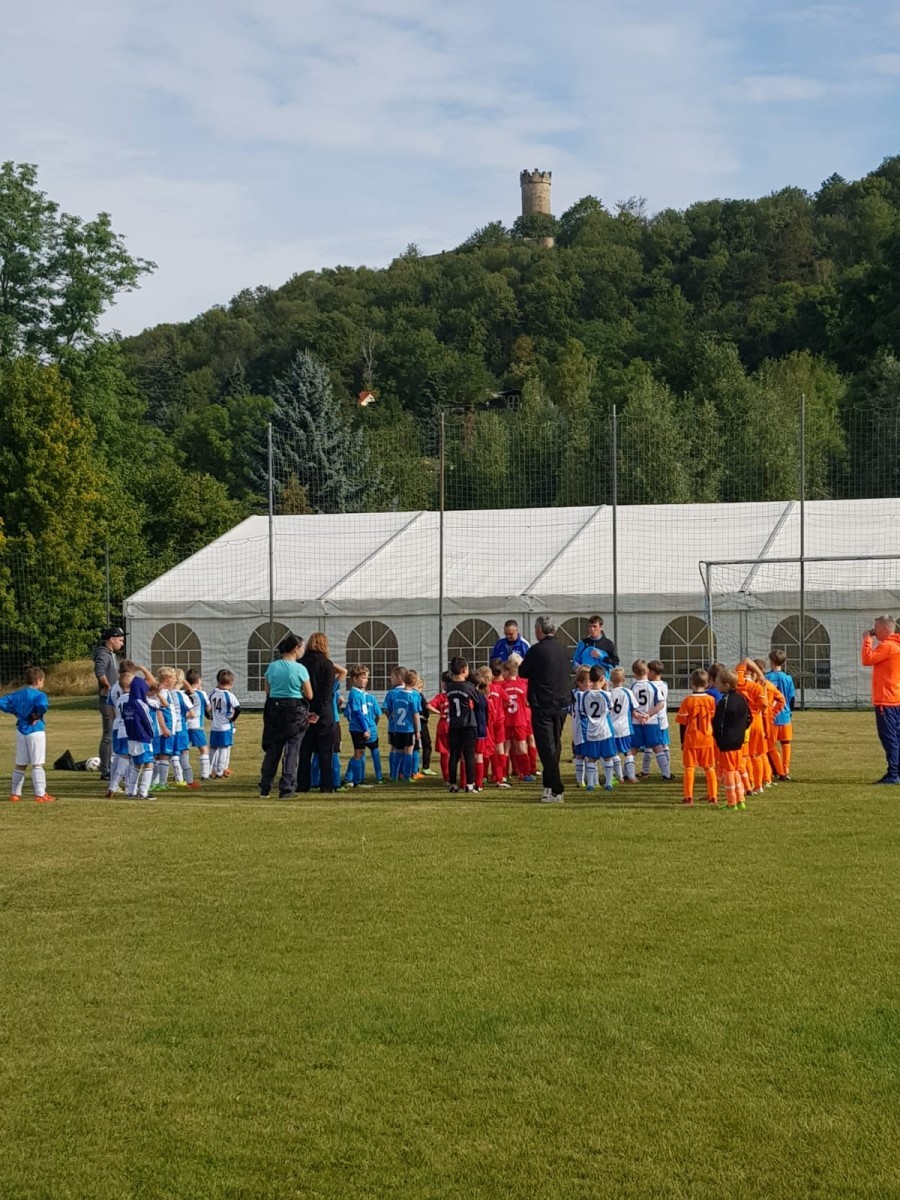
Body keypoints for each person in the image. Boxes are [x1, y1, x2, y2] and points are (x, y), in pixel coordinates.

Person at [519, 615, 571, 803]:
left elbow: (522, 671)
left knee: (546, 747)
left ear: (540, 629)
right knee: (555, 744)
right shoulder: (564, 649)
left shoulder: (537, 650)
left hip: (543, 704)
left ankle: (556, 789)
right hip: (562, 702)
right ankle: (549, 785)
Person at [259, 634, 312, 799]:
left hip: (274, 710)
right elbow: (309, 695)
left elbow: (267, 691)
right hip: (294, 710)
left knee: (273, 749)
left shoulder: (272, 667)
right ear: (296, 648)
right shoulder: (300, 669)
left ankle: (265, 787)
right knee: (292, 750)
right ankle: (287, 788)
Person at [0, 666, 54, 804]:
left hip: (21, 729)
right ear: (38, 680)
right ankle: (41, 794)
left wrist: (14, 711)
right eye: (42, 681)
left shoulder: (18, 694)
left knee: (20, 763)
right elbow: (42, 706)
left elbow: (2, 702)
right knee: (37, 764)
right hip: (35, 729)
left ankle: (15, 794)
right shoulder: (40, 695)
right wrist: (37, 714)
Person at [861, 616, 900, 784]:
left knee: (889, 738)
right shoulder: (896, 645)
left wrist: (867, 639)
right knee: (896, 737)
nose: (874, 631)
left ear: (885, 629)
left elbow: (867, 659)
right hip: (895, 697)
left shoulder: (888, 646)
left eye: (875, 628)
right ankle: (896, 772)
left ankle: (893, 774)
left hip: (886, 700)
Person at [297, 632, 337, 793]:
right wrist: (318, 712)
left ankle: (302, 783)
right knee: (325, 751)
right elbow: (327, 692)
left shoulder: (300, 663)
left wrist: (308, 710)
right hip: (324, 712)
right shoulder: (327, 664)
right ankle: (326, 785)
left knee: (304, 752)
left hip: (304, 709)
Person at [676, 669, 718, 806]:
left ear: (691, 684)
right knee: (710, 768)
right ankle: (713, 797)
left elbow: (682, 724)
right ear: (707, 684)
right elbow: (713, 720)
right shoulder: (711, 700)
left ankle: (688, 797)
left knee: (689, 768)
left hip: (691, 739)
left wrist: (682, 741)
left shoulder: (687, 700)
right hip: (707, 739)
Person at [712, 669, 751, 810]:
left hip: (727, 743)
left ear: (727, 685)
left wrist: (719, 737)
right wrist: (740, 730)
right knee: (735, 770)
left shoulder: (725, 702)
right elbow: (749, 718)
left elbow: (718, 723)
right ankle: (740, 800)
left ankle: (731, 802)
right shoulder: (742, 699)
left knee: (728, 771)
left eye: (718, 683)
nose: (716, 686)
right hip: (738, 742)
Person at [93, 626, 125, 780]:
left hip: (114, 700)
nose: (122, 643)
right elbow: (99, 672)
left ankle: (111, 765)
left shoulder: (111, 654)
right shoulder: (104, 655)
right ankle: (105, 770)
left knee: (114, 732)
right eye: (120, 640)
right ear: (111, 640)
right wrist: (107, 686)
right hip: (107, 701)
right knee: (108, 734)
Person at [445, 657, 480, 794]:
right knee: (469, 754)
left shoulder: (449, 687)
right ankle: (470, 784)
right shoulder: (468, 687)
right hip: (468, 724)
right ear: (464, 670)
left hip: (454, 724)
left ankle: (453, 784)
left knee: (454, 754)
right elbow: (478, 702)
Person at [501, 654, 534, 782]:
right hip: (519, 720)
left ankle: (503, 774)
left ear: (507, 672)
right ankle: (525, 773)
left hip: (506, 721)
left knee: (506, 749)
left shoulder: (502, 686)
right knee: (521, 747)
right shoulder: (523, 686)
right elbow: (527, 702)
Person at [766, 651, 795, 780]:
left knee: (771, 746)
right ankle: (786, 769)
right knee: (786, 743)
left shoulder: (766, 678)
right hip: (785, 715)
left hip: (772, 716)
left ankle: (779, 771)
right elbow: (791, 697)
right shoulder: (788, 678)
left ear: (771, 661)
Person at [607, 666, 638, 783]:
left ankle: (619, 777)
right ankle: (631, 776)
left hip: (611, 728)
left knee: (614, 752)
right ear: (623, 679)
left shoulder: (609, 693)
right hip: (624, 727)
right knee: (628, 751)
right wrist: (641, 716)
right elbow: (634, 710)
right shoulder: (627, 692)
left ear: (610, 680)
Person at [209, 669, 241, 779]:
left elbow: (207, 707)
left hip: (214, 726)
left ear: (218, 681)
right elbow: (238, 708)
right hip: (225, 726)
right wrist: (233, 719)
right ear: (231, 682)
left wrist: (209, 716)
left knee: (213, 749)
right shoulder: (229, 695)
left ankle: (209, 770)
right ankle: (220, 771)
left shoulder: (213, 693)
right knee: (223, 749)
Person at [185, 669, 211, 781]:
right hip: (196, 725)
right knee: (204, 750)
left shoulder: (183, 693)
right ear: (197, 680)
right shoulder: (201, 693)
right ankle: (205, 775)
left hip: (184, 726)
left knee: (184, 750)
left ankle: (180, 775)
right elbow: (209, 708)